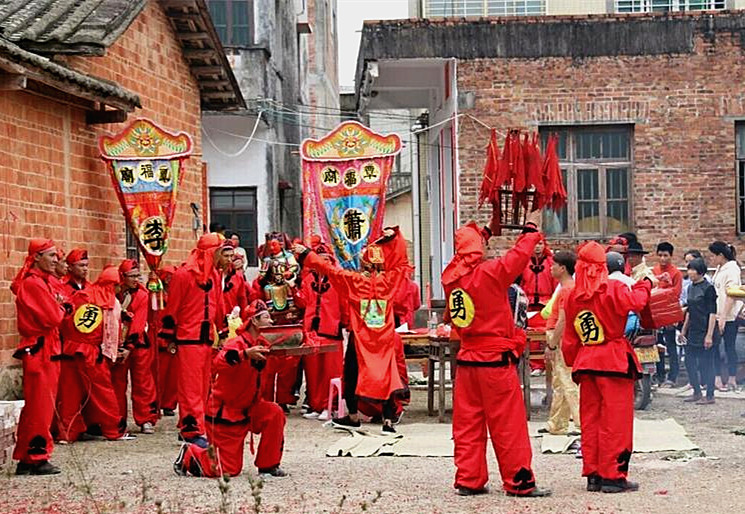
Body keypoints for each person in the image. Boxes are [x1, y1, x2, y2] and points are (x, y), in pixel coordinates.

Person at [441, 211, 551, 498]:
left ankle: (469, 480)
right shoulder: (490, 273)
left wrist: (487, 231)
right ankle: (519, 481)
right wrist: (530, 230)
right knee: (507, 425)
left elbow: (467, 255)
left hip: (466, 362)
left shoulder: (451, 279)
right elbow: (518, 255)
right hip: (494, 362)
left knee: (467, 425)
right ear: (479, 250)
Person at [293, 227, 410, 435]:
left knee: (351, 373)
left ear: (364, 263)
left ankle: (354, 416)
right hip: (383, 340)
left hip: (361, 339)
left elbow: (329, 270)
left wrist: (305, 255)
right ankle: (388, 421)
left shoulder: (355, 282)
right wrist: (394, 238)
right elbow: (401, 262)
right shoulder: (390, 281)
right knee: (387, 375)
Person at [562, 242, 652, 494]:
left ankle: (593, 475)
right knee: (616, 422)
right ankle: (613, 476)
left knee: (590, 421)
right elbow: (637, 302)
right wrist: (645, 283)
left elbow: (569, 337)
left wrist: (573, 361)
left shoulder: (571, 295)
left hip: (587, 362)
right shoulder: (613, 288)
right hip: (613, 359)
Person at [174, 300, 287, 478]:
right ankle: (191, 454)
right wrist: (245, 355)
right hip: (227, 412)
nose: (271, 321)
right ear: (254, 321)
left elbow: (277, 369)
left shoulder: (265, 344)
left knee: (274, 413)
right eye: (267, 317)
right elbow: (219, 363)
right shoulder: (236, 343)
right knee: (228, 470)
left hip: (250, 408)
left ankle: (268, 465)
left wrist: (289, 353)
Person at [161, 234, 230, 447]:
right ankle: (191, 431)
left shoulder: (215, 277)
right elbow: (172, 309)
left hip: (206, 339)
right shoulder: (183, 275)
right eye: (220, 251)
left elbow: (219, 306)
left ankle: (194, 427)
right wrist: (168, 338)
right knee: (190, 389)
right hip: (188, 340)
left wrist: (224, 331)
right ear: (212, 252)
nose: (224, 257)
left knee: (203, 388)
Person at [11, 239, 66, 475]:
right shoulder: (34, 284)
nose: (56, 260)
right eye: (52, 255)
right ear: (37, 257)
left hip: (44, 348)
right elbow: (54, 317)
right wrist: (61, 307)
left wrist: (59, 306)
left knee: (38, 406)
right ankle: (37, 455)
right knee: (41, 407)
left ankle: (27, 456)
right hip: (41, 349)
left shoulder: (41, 282)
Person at [57, 266, 130, 443]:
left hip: (69, 349)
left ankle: (67, 433)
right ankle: (114, 429)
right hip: (90, 351)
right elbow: (110, 332)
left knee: (70, 393)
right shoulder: (108, 301)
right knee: (103, 391)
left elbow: (67, 320)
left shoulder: (83, 294)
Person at [294, 243, 345, 419]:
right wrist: (295, 289)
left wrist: (343, 322)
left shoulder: (338, 280)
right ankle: (316, 406)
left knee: (332, 371)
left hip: (331, 329)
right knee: (313, 372)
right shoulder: (309, 279)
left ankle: (329, 406)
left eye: (326, 260)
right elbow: (302, 302)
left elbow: (344, 304)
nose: (323, 263)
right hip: (312, 331)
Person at [110, 259, 159, 434]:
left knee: (143, 381)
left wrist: (128, 347)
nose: (136, 279)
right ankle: (117, 419)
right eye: (132, 276)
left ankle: (146, 418)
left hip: (137, 343)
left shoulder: (142, 295)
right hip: (116, 343)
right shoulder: (114, 293)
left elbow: (138, 323)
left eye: (138, 275)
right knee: (117, 382)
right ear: (122, 277)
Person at [541, 250, 580, 436]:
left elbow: (563, 321)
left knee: (567, 381)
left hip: (561, 337)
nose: (550, 267)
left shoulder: (567, 290)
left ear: (562, 268)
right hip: (559, 336)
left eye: (554, 265)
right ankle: (557, 422)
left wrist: (552, 344)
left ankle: (581, 423)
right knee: (559, 381)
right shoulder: (567, 287)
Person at [681, 258, 718, 405]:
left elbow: (712, 313)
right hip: (693, 330)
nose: (690, 272)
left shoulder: (708, 288)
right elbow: (689, 310)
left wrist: (709, 335)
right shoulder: (690, 288)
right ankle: (696, 391)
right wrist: (684, 329)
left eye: (693, 269)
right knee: (689, 362)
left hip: (706, 329)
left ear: (700, 271)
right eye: (689, 269)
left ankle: (710, 395)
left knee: (707, 363)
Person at [709, 241, 741, 392]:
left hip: (728, 316)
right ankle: (716, 378)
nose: (712, 259)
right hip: (716, 312)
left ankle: (732, 378)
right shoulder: (720, 268)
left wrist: (723, 317)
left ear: (721, 255)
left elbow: (731, 294)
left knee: (729, 347)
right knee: (714, 346)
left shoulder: (732, 269)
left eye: (713, 255)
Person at [652, 242, 683, 387]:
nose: (663, 258)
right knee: (657, 346)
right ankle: (659, 375)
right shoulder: (654, 270)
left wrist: (673, 317)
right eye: (660, 255)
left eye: (665, 255)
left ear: (671, 256)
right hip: (656, 313)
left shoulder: (676, 272)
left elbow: (676, 295)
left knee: (671, 346)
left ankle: (673, 377)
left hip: (669, 313)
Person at [156, 265, 178, 416]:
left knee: (173, 375)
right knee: (159, 374)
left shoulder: (177, 293)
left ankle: (169, 404)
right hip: (160, 336)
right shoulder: (156, 295)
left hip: (176, 336)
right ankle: (157, 402)